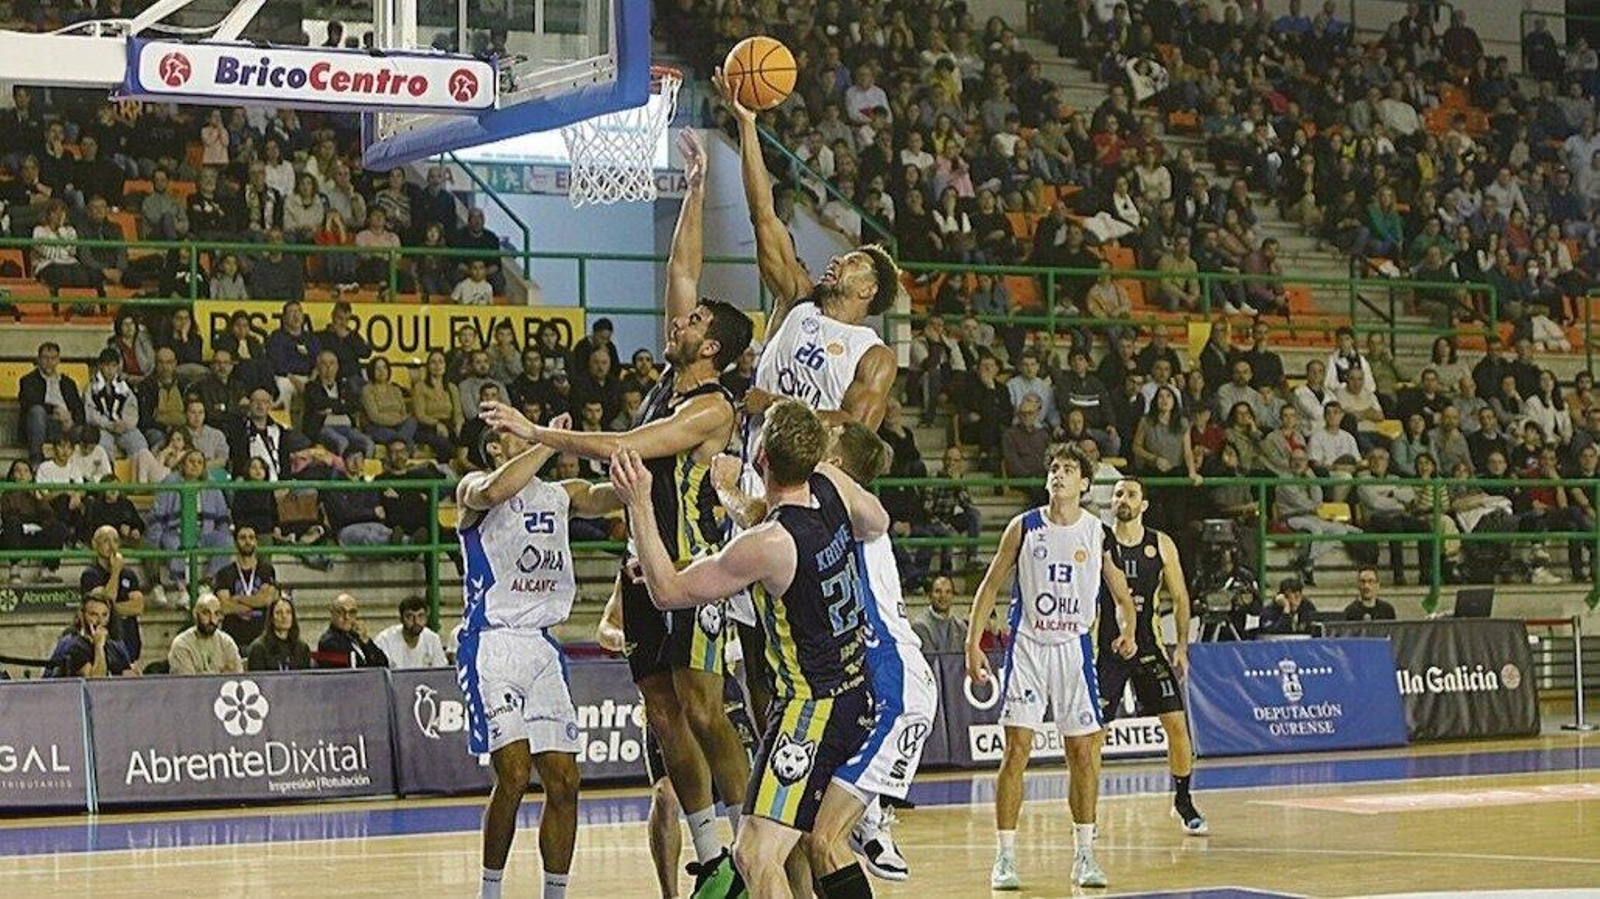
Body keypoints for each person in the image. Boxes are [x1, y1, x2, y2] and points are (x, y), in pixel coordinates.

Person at [481, 131, 755, 897]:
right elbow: (682, 269)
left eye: (696, 322)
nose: (682, 320)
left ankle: (750, 838)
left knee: (704, 708)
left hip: (693, 571)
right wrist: (696, 188)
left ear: (716, 347)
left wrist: (541, 433)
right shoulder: (675, 374)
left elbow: (628, 444)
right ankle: (715, 861)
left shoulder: (710, 407)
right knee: (664, 715)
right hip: (643, 569)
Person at [609, 401, 888, 899]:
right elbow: (877, 522)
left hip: (812, 709)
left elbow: (668, 592)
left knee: (754, 854)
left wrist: (640, 505)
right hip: (858, 688)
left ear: (759, 456)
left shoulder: (767, 544)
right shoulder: (833, 485)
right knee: (819, 843)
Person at [712, 420, 938, 884]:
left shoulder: (838, 511)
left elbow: (760, 517)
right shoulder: (830, 509)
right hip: (865, 685)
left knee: (825, 842)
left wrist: (726, 488)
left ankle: (872, 823)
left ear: (833, 469)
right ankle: (865, 821)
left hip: (892, 686)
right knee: (809, 839)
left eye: (825, 445)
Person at [455, 422, 623, 899]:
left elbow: (605, 494)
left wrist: (651, 464)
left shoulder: (559, 493)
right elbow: (496, 488)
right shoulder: (472, 488)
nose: (526, 436)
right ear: (493, 446)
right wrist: (548, 440)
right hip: (493, 642)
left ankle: (555, 894)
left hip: (543, 646)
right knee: (512, 774)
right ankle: (490, 891)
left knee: (565, 782)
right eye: (513, 432)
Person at [966, 443, 1138, 891]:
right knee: (1016, 751)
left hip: (1073, 650)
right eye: (1055, 469)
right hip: (1027, 648)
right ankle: (1004, 857)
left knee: (1083, 754)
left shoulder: (1097, 533)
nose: (1059, 475)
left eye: (1069, 470)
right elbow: (989, 587)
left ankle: (1085, 854)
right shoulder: (1023, 527)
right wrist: (972, 643)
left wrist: (1128, 630)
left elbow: (1122, 595)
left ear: (1085, 483)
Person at [1099, 478, 1207, 835]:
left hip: (1148, 647)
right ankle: (1087, 810)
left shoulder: (1160, 544)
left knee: (1176, 725)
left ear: (1144, 504)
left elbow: (1180, 598)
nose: (1123, 500)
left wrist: (1181, 647)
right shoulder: (1098, 539)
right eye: (1117, 494)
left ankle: (1183, 799)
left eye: (1130, 494)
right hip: (1106, 650)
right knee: (1093, 735)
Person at [79, 524, 146, 663]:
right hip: (104, 643)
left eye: (115, 540)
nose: (111, 546)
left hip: (129, 641)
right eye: (105, 541)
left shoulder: (129, 574)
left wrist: (112, 609)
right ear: (94, 545)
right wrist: (115, 571)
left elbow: (138, 606)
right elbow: (105, 602)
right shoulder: (90, 575)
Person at [212, 525, 279, 648]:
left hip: (262, 641)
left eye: (251, 537)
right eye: (242, 538)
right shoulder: (224, 573)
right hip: (232, 641)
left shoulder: (266, 570)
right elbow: (224, 607)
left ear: (256, 542)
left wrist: (238, 599)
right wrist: (254, 602)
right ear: (235, 542)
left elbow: (266, 600)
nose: (247, 541)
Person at [19, 342, 83, 466]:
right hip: (43, 423)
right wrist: (55, 410)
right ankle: (36, 462)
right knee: (37, 412)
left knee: (85, 430)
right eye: (45, 358)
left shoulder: (68, 383)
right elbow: (30, 403)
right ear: (38, 359)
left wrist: (70, 421)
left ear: (58, 360)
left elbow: (79, 408)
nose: (49, 362)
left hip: (66, 424)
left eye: (53, 358)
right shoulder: (28, 380)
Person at [45, 595, 131, 678]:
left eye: (105, 615)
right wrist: (98, 646)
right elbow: (96, 682)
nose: (100, 621)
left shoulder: (114, 645)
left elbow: (128, 675)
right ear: (81, 616)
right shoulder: (73, 645)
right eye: (93, 614)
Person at [168, 592, 244, 675]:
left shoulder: (227, 643)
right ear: (195, 614)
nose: (212, 620)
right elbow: (187, 683)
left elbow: (237, 678)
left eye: (216, 614)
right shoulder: (182, 644)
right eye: (206, 613)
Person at [317, 593, 390, 668]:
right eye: (341, 612)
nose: (347, 617)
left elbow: (383, 664)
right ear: (332, 613)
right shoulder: (328, 642)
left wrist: (366, 640)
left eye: (351, 612)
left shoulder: (356, 636)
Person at [374, 596, 449, 669]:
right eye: (410, 616)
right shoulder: (384, 640)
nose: (416, 621)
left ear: (426, 617)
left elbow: (440, 673)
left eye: (420, 616)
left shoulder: (433, 639)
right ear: (401, 619)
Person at [246, 596, 313, 671]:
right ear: (271, 618)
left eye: (288, 612)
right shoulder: (259, 648)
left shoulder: (302, 648)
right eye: (278, 613)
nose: (284, 616)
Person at [913, 575, 967, 654]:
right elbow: (931, 660)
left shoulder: (961, 627)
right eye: (938, 591)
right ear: (930, 595)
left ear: (953, 596)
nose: (943, 596)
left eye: (948, 592)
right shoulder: (920, 625)